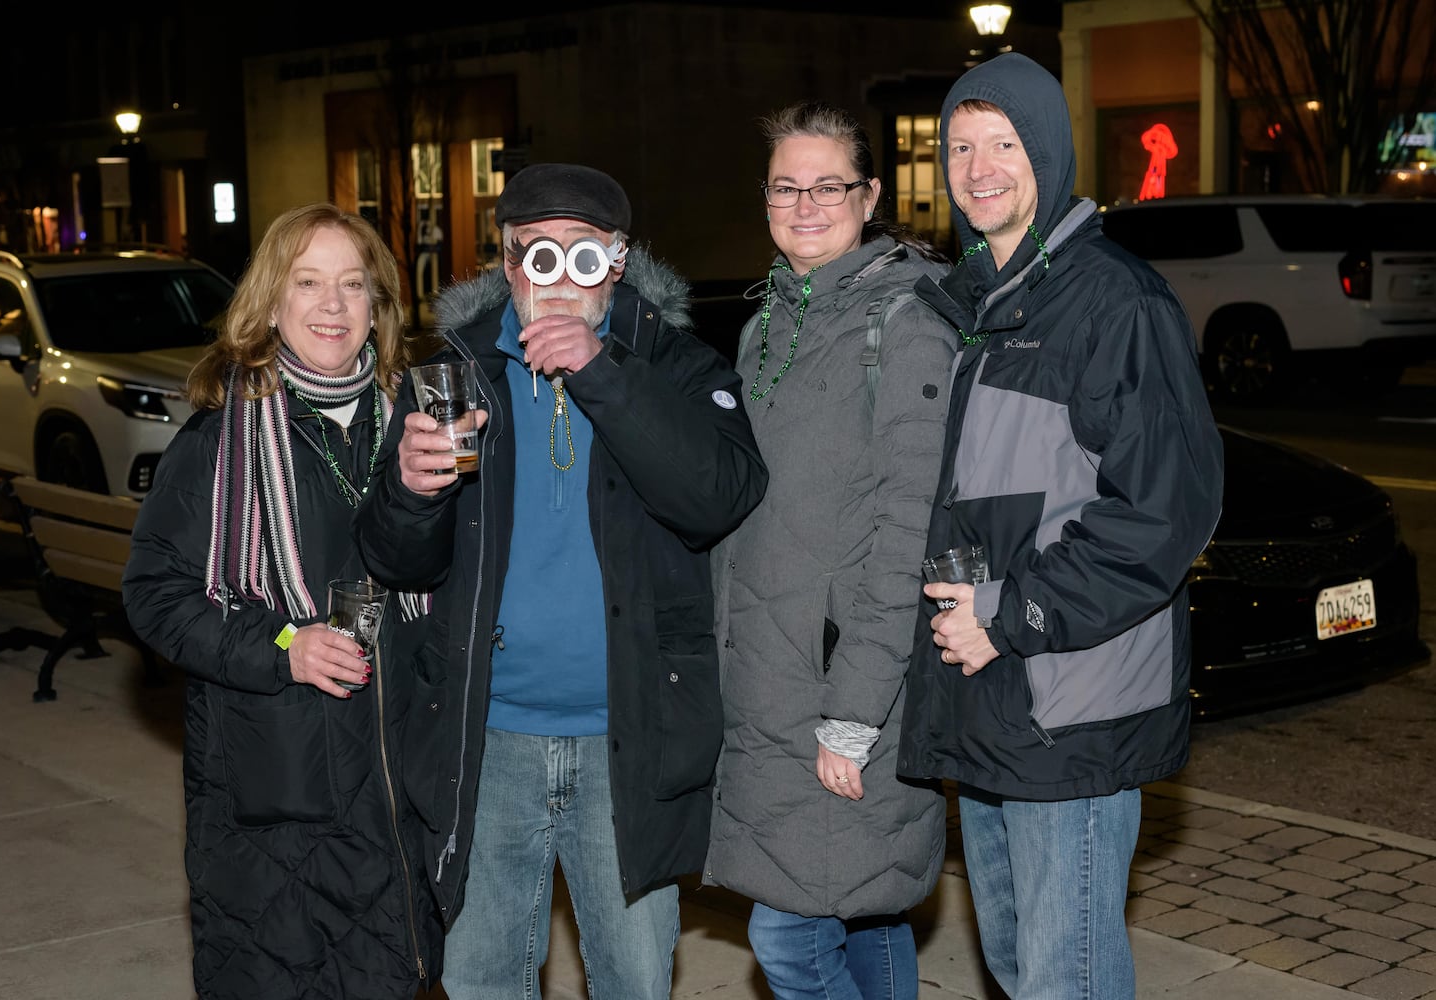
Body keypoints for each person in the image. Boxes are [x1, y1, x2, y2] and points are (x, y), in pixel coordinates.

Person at [352, 163, 768, 999]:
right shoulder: (456, 378)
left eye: (584, 257)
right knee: (482, 980)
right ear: (506, 265)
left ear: (617, 264)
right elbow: (398, 561)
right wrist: (407, 489)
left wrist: (602, 373)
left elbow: (719, 497)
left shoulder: (676, 366)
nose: (559, 278)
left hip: (627, 738)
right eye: (537, 256)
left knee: (634, 980)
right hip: (489, 737)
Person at [896, 54, 1225, 999]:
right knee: (1015, 964)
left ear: (1049, 151)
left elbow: (1163, 515)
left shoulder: (1113, 300)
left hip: (1069, 706)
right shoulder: (979, 300)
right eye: (961, 145)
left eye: (1004, 143)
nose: (979, 166)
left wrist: (1005, 615)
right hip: (994, 698)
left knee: (1063, 979)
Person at [121, 203, 439, 999]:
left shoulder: (419, 430)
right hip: (274, 794)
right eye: (308, 282)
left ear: (379, 308)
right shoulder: (218, 442)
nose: (332, 304)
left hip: (400, 789)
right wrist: (281, 647)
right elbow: (156, 595)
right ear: (269, 303)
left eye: (352, 284)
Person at [703, 101, 958, 999]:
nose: (806, 204)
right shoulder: (768, 319)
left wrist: (854, 711)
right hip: (768, 680)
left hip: (844, 688)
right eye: (786, 186)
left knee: (790, 942)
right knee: (864, 916)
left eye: (829, 186)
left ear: (871, 194)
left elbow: (909, 530)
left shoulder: (905, 322)